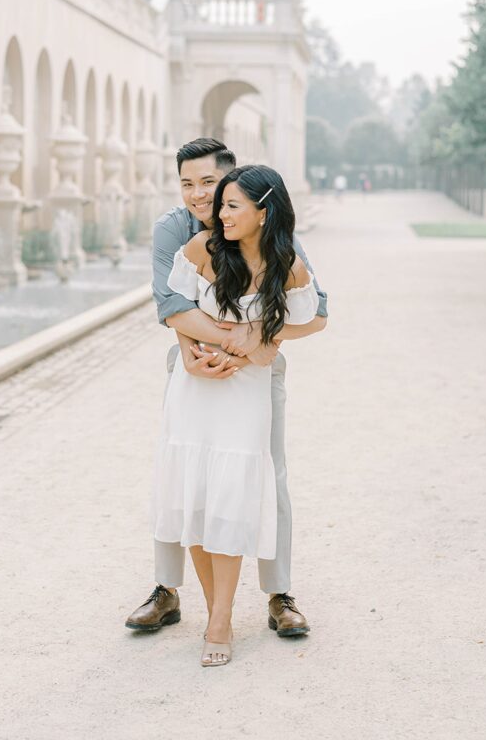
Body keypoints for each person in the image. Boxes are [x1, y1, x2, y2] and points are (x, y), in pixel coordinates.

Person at [125, 139, 327, 644]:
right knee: (184, 474)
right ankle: (167, 589)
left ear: (234, 182)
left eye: (209, 185)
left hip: (256, 370)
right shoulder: (175, 230)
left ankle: (279, 594)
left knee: (264, 474)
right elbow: (169, 301)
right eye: (187, 184)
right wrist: (208, 345)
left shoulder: (266, 221)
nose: (199, 196)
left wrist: (260, 341)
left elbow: (313, 307)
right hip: (192, 360)